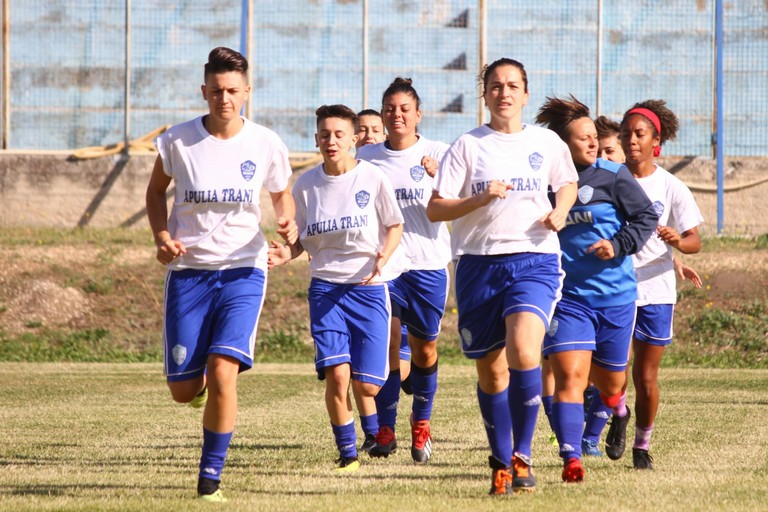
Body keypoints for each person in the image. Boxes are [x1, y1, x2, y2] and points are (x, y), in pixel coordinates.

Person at [145, 47, 297, 502]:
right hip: (189, 272)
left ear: (246, 92)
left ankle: (210, 479)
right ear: (204, 91)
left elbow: (281, 194)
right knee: (182, 390)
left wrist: (286, 222)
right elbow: (156, 193)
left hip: (243, 270)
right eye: (216, 91)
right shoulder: (176, 140)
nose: (224, 99)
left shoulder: (266, 143)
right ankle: (196, 384)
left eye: (233, 91)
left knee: (223, 369)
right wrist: (161, 235)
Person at [426, 58, 579, 495]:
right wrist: (478, 198)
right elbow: (436, 209)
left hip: (534, 259)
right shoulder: (468, 146)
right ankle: (500, 459)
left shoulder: (546, 142)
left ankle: (522, 456)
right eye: (495, 86)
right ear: (486, 94)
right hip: (478, 264)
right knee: (492, 375)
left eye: (513, 85)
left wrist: (561, 211)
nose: (504, 93)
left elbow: (565, 183)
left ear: (526, 94)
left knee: (525, 350)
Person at [268, 104, 406, 472]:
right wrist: (286, 253)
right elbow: (300, 240)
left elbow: (394, 225)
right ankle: (347, 454)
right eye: (325, 134)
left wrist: (384, 257)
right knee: (337, 374)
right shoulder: (306, 185)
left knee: (368, 386)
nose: (332, 141)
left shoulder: (372, 178)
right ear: (316, 140)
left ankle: (375, 433)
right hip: (326, 289)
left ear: (353, 139)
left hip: (369, 288)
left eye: (339, 134)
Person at [535, 95, 659, 482]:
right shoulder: (544, 183)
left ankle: (617, 410)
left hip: (617, 299)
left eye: (594, 137)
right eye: (583, 138)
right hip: (568, 298)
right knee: (570, 377)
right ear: (562, 145)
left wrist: (617, 245)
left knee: (610, 384)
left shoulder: (613, 175)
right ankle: (572, 457)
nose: (593, 143)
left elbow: (646, 217)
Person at [605, 99, 703, 470]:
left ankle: (642, 446)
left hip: (657, 291)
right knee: (612, 370)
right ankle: (619, 411)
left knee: (645, 375)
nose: (631, 140)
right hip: (613, 287)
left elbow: (695, 240)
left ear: (654, 141)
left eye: (639, 134)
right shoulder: (607, 178)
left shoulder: (671, 186)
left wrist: (678, 241)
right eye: (626, 133)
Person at [356, 78, 451, 463]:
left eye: (404, 109)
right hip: (385, 266)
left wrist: (438, 177)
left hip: (428, 265)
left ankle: (421, 422)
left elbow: (460, 200)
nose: (397, 115)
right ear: (383, 114)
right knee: (389, 346)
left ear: (418, 114)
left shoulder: (438, 153)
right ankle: (386, 428)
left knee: (425, 350)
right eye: (390, 109)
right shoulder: (367, 158)